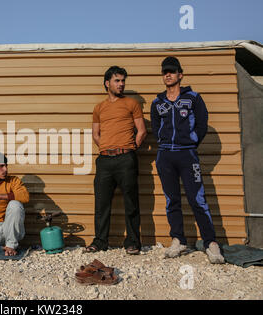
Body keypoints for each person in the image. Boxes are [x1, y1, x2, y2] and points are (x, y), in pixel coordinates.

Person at [150, 56, 225, 264]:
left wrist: (190, 143)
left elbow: (202, 125)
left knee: (197, 199)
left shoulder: (193, 98)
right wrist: (164, 144)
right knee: (171, 199)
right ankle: (178, 239)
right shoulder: (158, 102)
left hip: (187, 154)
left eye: (172, 71)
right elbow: (156, 128)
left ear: (180, 75)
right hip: (165, 155)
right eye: (165, 71)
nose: (168, 74)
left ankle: (211, 243)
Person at [85, 66, 147, 255]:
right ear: (107, 83)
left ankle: (133, 242)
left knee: (131, 202)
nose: (121, 84)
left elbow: (142, 131)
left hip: (126, 159)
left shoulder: (132, 104)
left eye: (123, 81)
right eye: (117, 81)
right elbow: (96, 134)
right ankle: (100, 241)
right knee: (102, 203)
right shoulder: (99, 108)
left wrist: (130, 149)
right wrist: (105, 147)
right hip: (104, 160)